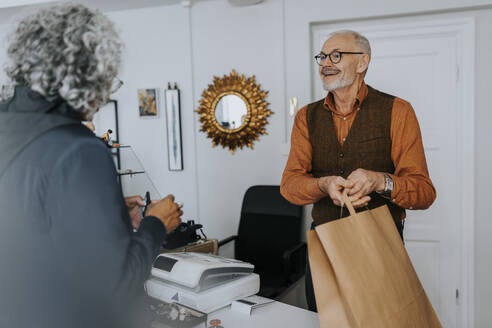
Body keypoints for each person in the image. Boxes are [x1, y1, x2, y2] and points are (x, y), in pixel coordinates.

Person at [0, 4, 182, 328]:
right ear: (88, 74)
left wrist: (106, 212)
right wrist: (156, 224)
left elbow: (29, 227)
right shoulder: (78, 149)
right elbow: (115, 288)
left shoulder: (8, 129)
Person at [280, 30, 436, 312]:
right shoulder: (306, 117)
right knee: (325, 318)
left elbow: (424, 193)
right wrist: (324, 184)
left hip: (381, 245)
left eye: (336, 55)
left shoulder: (398, 111)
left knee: (381, 319)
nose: (325, 63)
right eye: (322, 56)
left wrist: (380, 181)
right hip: (325, 243)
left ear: (362, 62)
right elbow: (289, 185)